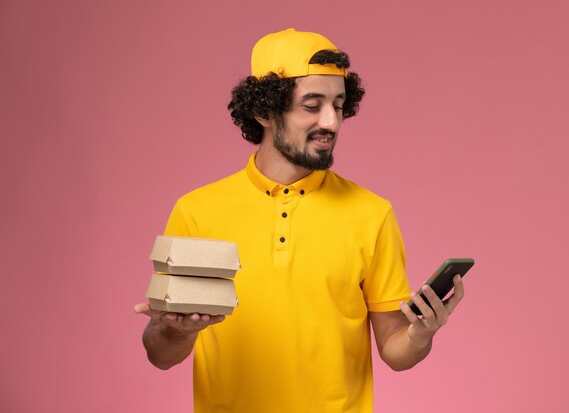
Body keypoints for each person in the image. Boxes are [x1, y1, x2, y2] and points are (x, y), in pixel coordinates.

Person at [135, 28, 464, 413]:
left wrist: (421, 334)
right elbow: (162, 355)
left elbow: (396, 349)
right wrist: (173, 330)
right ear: (264, 111)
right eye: (312, 105)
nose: (332, 121)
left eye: (339, 105)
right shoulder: (197, 211)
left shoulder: (372, 213)